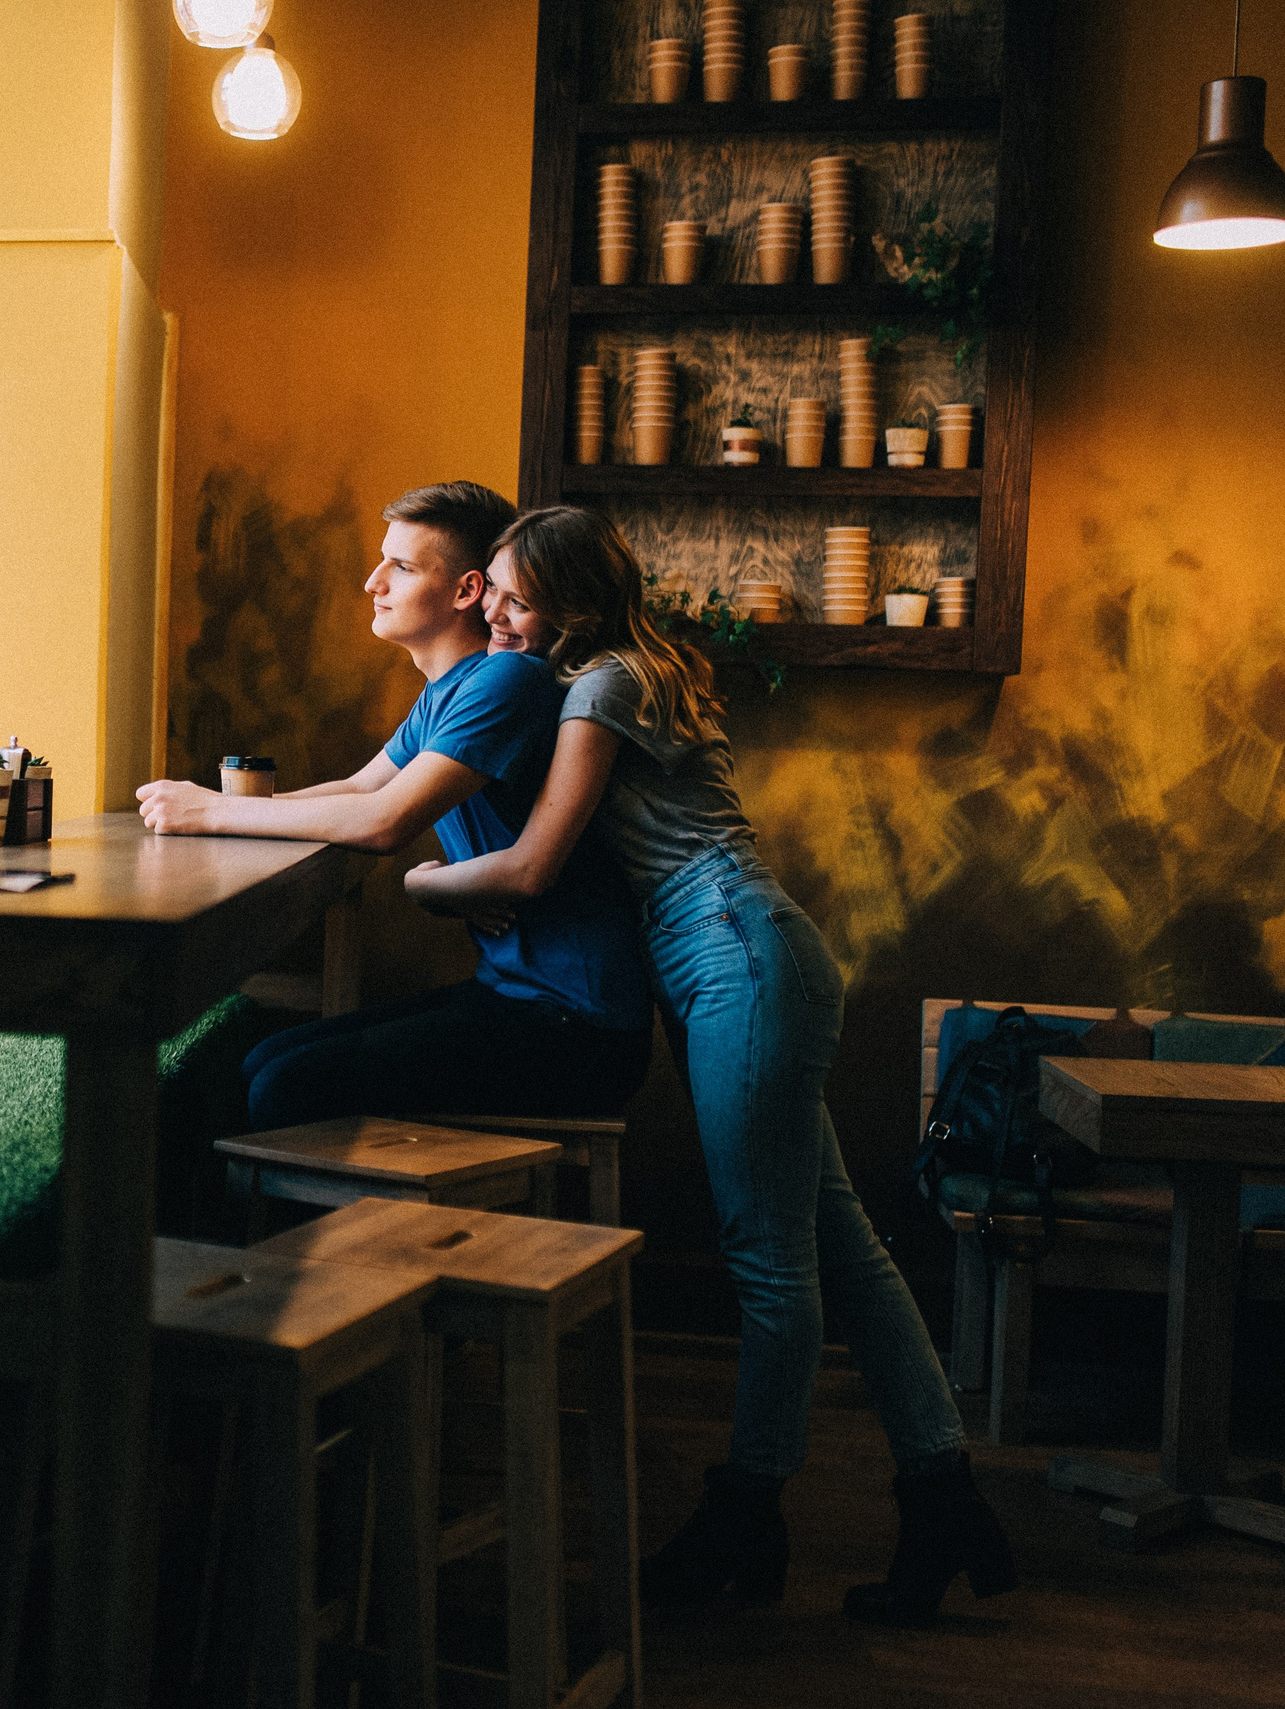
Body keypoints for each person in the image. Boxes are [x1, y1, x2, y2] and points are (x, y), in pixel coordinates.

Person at [405, 505, 1014, 1625]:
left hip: (735, 960)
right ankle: (943, 1494)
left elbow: (534, 862)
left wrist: (418, 878)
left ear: (573, 609)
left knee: (769, 1266)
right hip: (743, 959)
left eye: (511, 594)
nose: (489, 606)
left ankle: (745, 1516)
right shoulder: (635, 668)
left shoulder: (596, 688)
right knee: (843, 1249)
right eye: (486, 586)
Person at [136, 482, 652, 1131]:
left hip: (575, 1026)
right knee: (261, 1059)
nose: (372, 581)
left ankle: (306, 1235)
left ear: (467, 590)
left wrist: (210, 814)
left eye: (401, 566)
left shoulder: (506, 679)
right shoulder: (449, 689)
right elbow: (360, 788)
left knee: (280, 1085)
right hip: (520, 998)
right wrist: (215, 807)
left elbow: (383, 822)